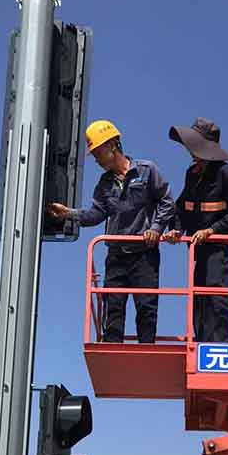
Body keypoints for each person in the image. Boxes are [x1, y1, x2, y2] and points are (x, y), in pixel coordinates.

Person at [47, 120, 175, 344]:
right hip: (117, 256)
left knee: (146, 307)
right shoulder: (105, 184)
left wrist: (155, 228)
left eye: (97, 152)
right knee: (113, 308)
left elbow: (167, 201)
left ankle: (146, 351)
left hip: (144, 255)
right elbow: (95, 215)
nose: (96, 159)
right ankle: (112, 349)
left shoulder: (146, 171)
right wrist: (69, 214)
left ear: (112, 145)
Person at [164, 118, 228, 342]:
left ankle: (219, 344)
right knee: (199, 296)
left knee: (216, 293)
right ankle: (201, 340)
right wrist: (176, 230)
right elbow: (182, 208)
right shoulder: (192, 175)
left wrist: (212, 230)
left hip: (221, 250)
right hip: (199, 251)